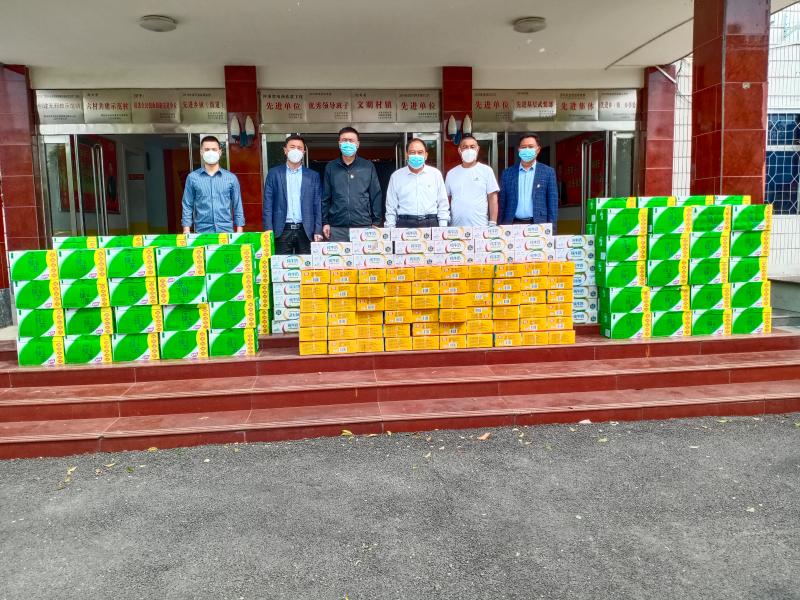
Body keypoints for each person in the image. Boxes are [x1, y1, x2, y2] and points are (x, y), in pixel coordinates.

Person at [262, 134, 323, 254]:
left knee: (306, 265)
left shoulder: (313, 176)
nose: (296, 150)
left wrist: (318, 230)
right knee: (280, 264)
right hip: (281, 230)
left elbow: (317, 204)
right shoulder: (274, 174)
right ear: (285, 150)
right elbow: (268, 204)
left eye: (299, 148)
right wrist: (268, 228)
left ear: (303, 152)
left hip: (306, 230)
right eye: (292, 147)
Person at [321, 126, 383, 241]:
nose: (348, 143)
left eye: (351, 140)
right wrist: (325, 222)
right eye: (344, 140)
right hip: (337, 227)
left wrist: (376, 222)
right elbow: (325, 197)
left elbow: (376, 195)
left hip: (363, 225)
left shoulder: (367, 166)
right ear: (339, 143)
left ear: (357, 144)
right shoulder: (331, 167)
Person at [181, 135, 244, 233]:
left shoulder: (231, 178)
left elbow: (237, 204)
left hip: (225, 231)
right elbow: (187, 204)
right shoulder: (193, 178)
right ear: (201, 152)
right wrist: (186, 229)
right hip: (202, 231)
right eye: (207, 149)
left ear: (220, 152)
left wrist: (239, 230)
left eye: (214, 149)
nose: (210, 152)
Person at [385, 138, 449, 229]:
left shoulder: (435, 174)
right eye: (412, 152)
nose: (416, 155)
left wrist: (443, 226)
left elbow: (443, 203)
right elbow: (391, 206)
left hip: (430, 223)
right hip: (405, 223)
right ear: (406, 155)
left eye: (420, 152)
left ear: (426, 155)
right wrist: (390, 229)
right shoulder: (396, 176)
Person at [498, 133, 558, 230]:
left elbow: (552, 204)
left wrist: (552, 229)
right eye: (523, 147)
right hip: (512, 224)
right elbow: (502, 204)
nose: (527, 150)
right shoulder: (507, 173)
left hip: (539, 224)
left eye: (530, 147)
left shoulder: (548, 172)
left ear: (538, 149)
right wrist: (500, 227)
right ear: (519, 150)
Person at [445, 134, 500, 227]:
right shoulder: (451, 173)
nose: (469, 150)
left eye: (472, 147)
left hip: (481, 226)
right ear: (459, 150)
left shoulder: (486, 171)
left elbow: (492, 198)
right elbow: (446, 199)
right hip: (456, 227)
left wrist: (493, 222)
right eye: (465, 147)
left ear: (477, 149)